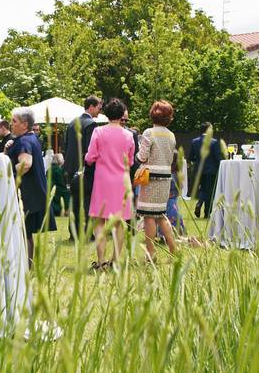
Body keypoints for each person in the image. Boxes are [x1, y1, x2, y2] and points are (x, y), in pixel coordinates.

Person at [84, 98, 135, 269]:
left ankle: (100, 261)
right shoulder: (129, 135)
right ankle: (115, 260)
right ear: (122, 115)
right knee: (120, 223)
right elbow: (131, 161)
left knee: (99, 221)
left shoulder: (98, 132)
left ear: (106, 113)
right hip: (121, 181)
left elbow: (90, 157)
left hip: (102, 181)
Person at [136, 101, 178, 259]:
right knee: (161, 215)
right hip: (166, 179)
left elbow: (142, 156)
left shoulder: (149, 132)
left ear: (153, 114)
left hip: (150, 179)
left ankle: (151, 253)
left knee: (149, 216)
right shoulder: (171, 135)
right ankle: (173, 249)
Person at [7, 107, 47, 264]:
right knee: (26, 232)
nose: (11, 124)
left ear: (24, 124)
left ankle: (25, 267)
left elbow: (26, 164)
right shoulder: (30, 138)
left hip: (26, 193)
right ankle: (26, 266)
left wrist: (7, 171)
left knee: (24, 232)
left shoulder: (24, 140)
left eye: (14, 121)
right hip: (31, 193)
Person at [63, 95, 101, 240]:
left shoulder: (72, 122)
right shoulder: (91, 124)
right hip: (84, 169)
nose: (99, 111)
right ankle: (84, 233)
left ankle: (73, 233)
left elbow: (65, 146)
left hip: (70, 167)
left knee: (74, 202)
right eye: (98, 107)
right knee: (85, 202)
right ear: (91, 106)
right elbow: (89, 149)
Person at [189, 122, 224, 219]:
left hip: (199, 171)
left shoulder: (194, 141)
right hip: (211, 171)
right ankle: (207, 213)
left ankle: (199, 203)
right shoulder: (214, 142)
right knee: (209, 192)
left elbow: (191, 157)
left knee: (203, 189)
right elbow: (218, 158)